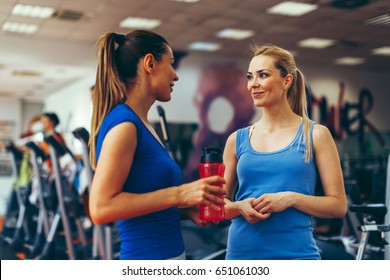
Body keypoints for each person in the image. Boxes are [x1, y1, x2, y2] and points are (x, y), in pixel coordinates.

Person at [88, 30, 226, 260]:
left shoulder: (143, 125)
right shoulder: (125, 126)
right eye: (171, 64)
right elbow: (101, 208)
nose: (175, 75)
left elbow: (143, 203)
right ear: (150, 63)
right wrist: (180, 194)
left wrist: (184, 210)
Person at [222, 44, 347, 260]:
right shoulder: (236, 140)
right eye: (250, 77)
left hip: (296, 256)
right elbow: (218, 206)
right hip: (242, 256)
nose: (253, 84)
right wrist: (239, 207)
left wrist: (290, 199)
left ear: (287, 81)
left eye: (263, 75)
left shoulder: (316, 135)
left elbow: (338, 206)